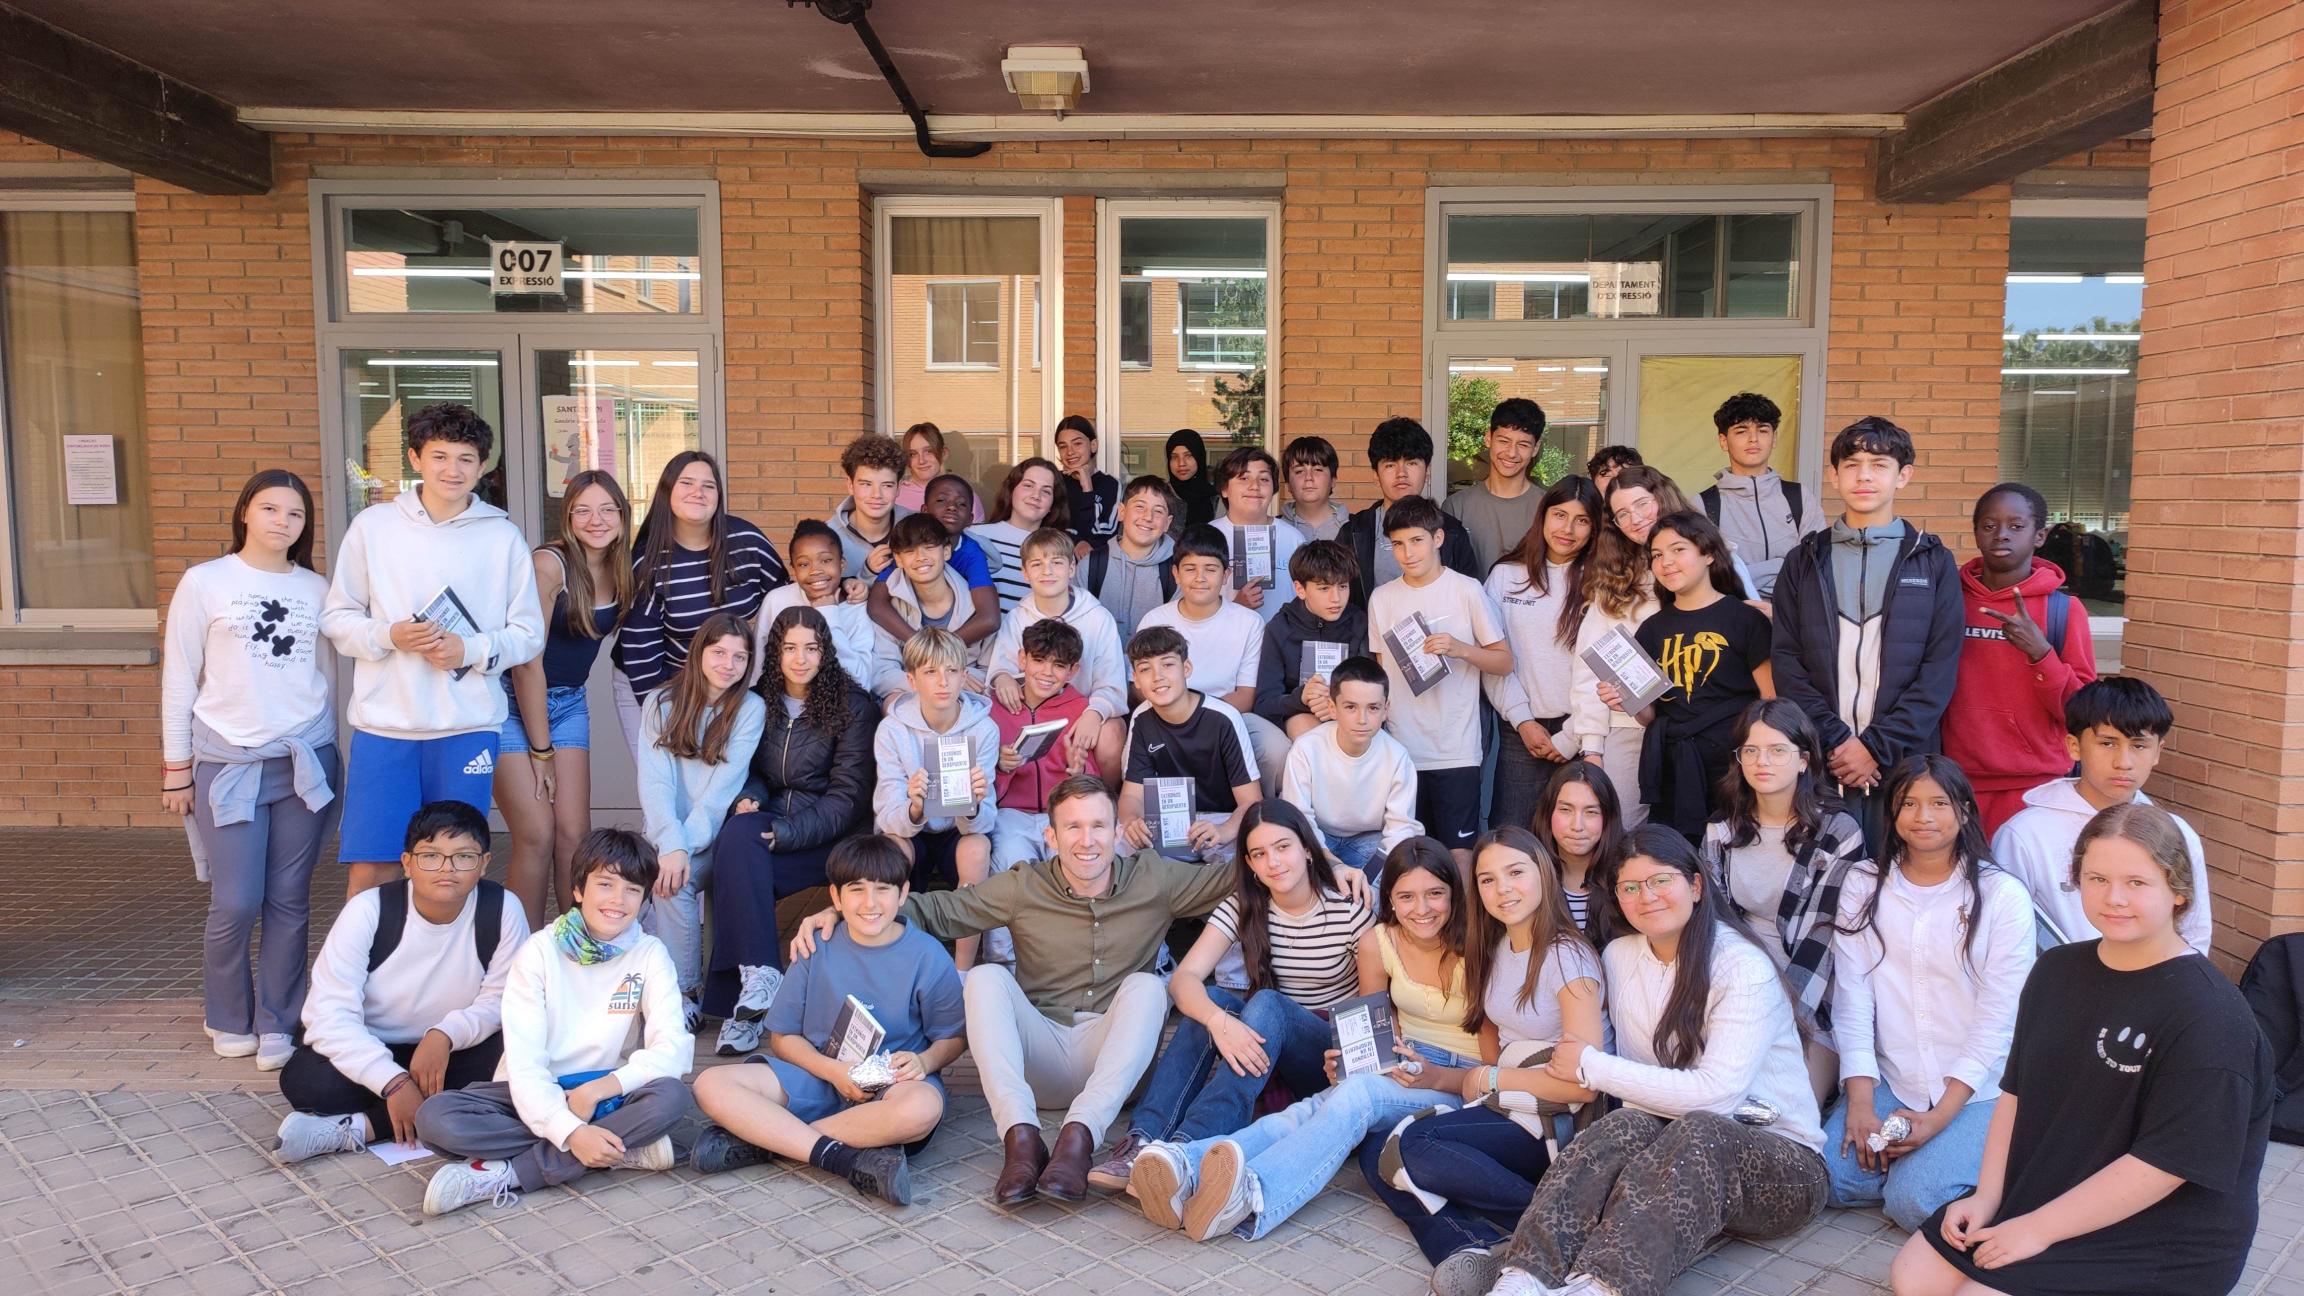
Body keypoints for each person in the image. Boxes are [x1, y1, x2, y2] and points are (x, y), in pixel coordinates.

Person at [786, 776, 1249, 1206]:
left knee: (1148, 987)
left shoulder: (1155, 879)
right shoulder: (1024, 884)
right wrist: (842, 913)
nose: (1086, 840)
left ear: (1116, 832)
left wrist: (1295, 850)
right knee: (986, 977)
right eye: (1072, 827)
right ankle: (1021, 1140)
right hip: (1038, 1056)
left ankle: (1079, 1140)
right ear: (1051, 837)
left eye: (1097, 826)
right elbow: (937, 911)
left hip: (1115, 1063)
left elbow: (1243, 877)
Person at [1892, 803, 2272, 1296]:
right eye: (2097, 879)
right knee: (1914, 1279)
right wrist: (1988, 1196)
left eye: (2137, 882)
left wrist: (2037, 1230)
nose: (2114, 898)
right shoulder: (2056, 970)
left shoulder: (2210, 1014)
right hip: (2053, 1186)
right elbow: (2015, 1095)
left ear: (2178, 890)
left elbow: (2165, 1166)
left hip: (2162, 1232)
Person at [1473, 826, 1829, 1296]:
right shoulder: (1620, 957)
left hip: (1783, 1166)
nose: (1647, 897)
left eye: (1661, 881)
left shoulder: (1742, 967)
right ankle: (1524, 1276)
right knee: (1623, 1124)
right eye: (1630, 887)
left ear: (1695, 886)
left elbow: (1715, 1096)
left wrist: (1591, 1065)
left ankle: (1601, 1287)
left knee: (1700, 1128)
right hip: (1676, 1158)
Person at [1127, 837, 1489, 1242]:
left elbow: (1493, 1069)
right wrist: (1348, 1063)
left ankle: (1256, 1193)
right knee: (1309, 1109)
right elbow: (1378, 1028)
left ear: (1454, 893)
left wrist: (1436, 1076)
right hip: (1403, 1065)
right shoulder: (1381, 941)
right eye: (1406, 896)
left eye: (1435, 893)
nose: (1421, 909)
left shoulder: (1479, 947)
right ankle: (1186, 1163)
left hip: (1457, 1082)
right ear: (1389, 899)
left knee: (1357, 1098)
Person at [1092, 799, 1379, 1192]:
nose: (1273, 862)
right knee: (1212, 1001)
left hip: (1328, 1056)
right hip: (1269, 1047)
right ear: (1250, 864)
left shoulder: (1349, 911)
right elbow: (1183, 979)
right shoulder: (1245, 906)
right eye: (1259, 854)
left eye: (1283, 847)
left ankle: (1187, 1149)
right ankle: (1143, 1140)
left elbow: (1370, 1012)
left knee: (1266, 1003)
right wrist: (1218, 1022)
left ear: (1308, 850)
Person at [321, 403, 545, 899]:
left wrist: (471, 648)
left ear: (482, 466)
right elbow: (336, 619)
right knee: (374, 869)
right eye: (439, 456)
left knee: (454, 869)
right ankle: (374, 953)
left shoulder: (502, 536)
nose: (452, 470)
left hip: (467, 729)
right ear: (414, 458)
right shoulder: (373, 527)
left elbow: (529, 634)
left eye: (466, 459)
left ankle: (450, 955)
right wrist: (390, 636)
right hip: (386, 728)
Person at [414, 828, 693, 1215]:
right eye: (605, 884)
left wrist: (597, 1091)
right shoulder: (539, 951)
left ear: (644, 899)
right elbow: (526, 1063)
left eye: (632, 890)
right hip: (531, 1090)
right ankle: (616, 1149)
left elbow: (672, 1049)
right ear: (578, 889)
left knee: (672, 1097)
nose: (618, 900)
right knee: (436, 1119)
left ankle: (508, 1173)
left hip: (604, 1092)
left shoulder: (650, 953)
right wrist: (571, 1131)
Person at [1371, 826, 1606, 1284]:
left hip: (1556, 1121)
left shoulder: (1566, 957)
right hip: (1510, 1105)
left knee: (1415, 1146)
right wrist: (1437, 1077)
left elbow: (1584, 1085)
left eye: (1515, 873)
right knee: (1378, 1151)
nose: (1503, 889)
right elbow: (1486, 1067)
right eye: (1487, 879)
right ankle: (1464, 1244)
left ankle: (1558, 1228)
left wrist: (1493, 1079)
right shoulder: (1496, 948)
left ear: (1543, 873)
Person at [165, 468, 338, 1069]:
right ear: (245, 512)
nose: (282, 522)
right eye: (269, 509)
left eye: (295, 513)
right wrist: (176, 767)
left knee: (289, 899)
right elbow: (179, 676)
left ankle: (278, 1022)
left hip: (303, 762)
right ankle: (226, 1015)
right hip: (227, 762)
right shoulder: (205, 582)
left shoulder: (317, 589)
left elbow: (329, 674)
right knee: (236, 900)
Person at [692, 834, 966, 1206]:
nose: (870, 903)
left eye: (883, 890)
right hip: (820, 1075)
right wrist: (834, 1072)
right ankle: (840, 1155)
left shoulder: (927, 955)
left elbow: (953, 1037)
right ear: (836, 897)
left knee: (922, 1109)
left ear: (903, 893)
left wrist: (925, 1061)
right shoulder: (815, 945)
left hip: (893, 1084)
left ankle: (766, 1141)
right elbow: (783, 1037)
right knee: (710, 1084)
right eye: (856, 890)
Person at [1824, 756, 2035, 1232]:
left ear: (1964, 811)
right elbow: (1853, 996)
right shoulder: (1864, 883)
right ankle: (1931, 1163)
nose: (1923, 817)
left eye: (1939, 803)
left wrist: (1938, 1120)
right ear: (1892, 812)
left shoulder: (2001, 896)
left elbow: (1998, 1021)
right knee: (1833, 1177)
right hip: (1895, 1079)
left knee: (1913, 1200)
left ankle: (1980, 1163)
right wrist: (1860, 1100)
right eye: (1909, 804)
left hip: (1979, 1089)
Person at [275, 801, 529, 1162]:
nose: (447, 868)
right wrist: (393, 1082)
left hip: (451, 1051)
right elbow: (328, 1014)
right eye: (431, 856)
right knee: (307, 1080)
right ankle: (435, 1112)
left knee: (520, 1061)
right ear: (407, 863)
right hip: (375, 1044)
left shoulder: (503, 908)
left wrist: (444, 1035)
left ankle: (360, 1128)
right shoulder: (369, 910)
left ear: (484, 863)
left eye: (463, 857)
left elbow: (502, 1000)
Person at [1770, 416, 1963, 854]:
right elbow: (1787, 661)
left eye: (1879, 465)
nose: (1864, 476)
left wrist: (1874, 746)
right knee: (1822, 874)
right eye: (1852, 464)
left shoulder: (1932, 561)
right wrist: (1838, 742)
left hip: (1904, 761)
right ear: (1834, 475)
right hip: (1822, 761)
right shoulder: (1804, 560)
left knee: (1898, 872)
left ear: (1903, 476)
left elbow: (1939, 669)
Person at [707, 604, 877, 1044]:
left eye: (811, 648)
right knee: (737, 839)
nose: (800, 659)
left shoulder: (853, 706)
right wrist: (750, 798)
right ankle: (761, 979)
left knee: (738, 867)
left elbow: (847, 799)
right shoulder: (757, 702)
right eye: (789, 648)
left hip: (833, 841)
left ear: (825, 652)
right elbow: (755, 772)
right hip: (775, 829)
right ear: (775, 652)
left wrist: (785, 833)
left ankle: (741, 1014)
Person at [1701, 698, 1867, 1100]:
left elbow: (1823, 938)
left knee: (1785, 1104)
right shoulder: (1721, 830)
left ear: (1804, 760)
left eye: (1777, 750)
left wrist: (1777, 1016)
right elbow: (1713, 928)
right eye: (1751, 751)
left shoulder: (1838, 833)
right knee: (1719, 1102)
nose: (1763, 761)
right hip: (1734, 989)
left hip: (1809, 1001)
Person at [1991, 676, 2215, 956]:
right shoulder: (2025, 834)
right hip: (2058, 981)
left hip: (2154, 981)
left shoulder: (2177, 833)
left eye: (2139, 746)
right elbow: (2006, 934)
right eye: (2108, 743)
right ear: (2074, 746)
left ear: (2158, 752)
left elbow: (2194, 931)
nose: (2123, 762)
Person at [498, 470, 634, 928]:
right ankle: (520, 953)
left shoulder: (621, 568)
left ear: (622, 515)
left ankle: (576, 947)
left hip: (569, 703)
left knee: (575, 836)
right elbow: (525, 664)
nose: (597, 520)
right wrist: (542, 751)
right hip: (510, 703)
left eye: (607, 509)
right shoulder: (549, 564)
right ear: (568, 517)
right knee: (536, 834)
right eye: (583, 511)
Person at [1607, 511, 1774, 843]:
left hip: (1734, 766)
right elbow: (1650, 715)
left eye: (1678, 550)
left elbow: (1771, 702)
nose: (1666, 562)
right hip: (1674, 768)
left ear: (1708, 553)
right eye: (1657, 555)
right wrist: (1626, 699)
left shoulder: (1745, 618)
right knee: (1675, 856)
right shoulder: (1652, 629)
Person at [611, 450, 785, 761]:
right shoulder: (648, 565)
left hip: (729, 684)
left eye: (708, 485)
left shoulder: (746, 541)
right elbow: (643, 660)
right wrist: (679, 719)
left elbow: (785, 602)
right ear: (667, 491)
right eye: (687, 483)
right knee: (669, 780)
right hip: (659, 687)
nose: (698, 492)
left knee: (725, 780)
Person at [1368, 494, 1512, 868]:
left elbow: (1504, 662)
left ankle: (1463, 912)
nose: (1407, 553)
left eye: (1416, 540)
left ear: (1438, 538)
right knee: (1409, 855)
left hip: (1456, 747)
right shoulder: (1382, 598)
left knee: (1459, 855)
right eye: (1398, 544)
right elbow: (1382, 676)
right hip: (1401, 748)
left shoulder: (1467, 589)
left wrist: (1460, 649)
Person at [1945, 483, 2097, 836]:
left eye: (2016, 526)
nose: (2001, 534)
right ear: (1976, 533)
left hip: (2036, 785)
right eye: (1989, 525)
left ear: (2039, 535)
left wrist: (2041, 654)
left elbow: (2083, 712)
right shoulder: (1949, 598)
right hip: (1955, 780)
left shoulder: (2063, 610)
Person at [638, 613, 767, 1028]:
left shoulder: (750, 708)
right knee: (649, 879)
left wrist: (682, 848)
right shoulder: (660, 703)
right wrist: (670, 843)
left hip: (717, 837)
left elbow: (719, 795)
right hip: (665, 834)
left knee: (674, 880)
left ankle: (687, 991)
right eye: (719, 652)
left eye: (740, 657)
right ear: (699, 652)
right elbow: (655, 783)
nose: (729, 664)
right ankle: (662, 990)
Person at [871, 627, 1002, 968]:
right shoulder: (892, 730)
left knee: (977, 849)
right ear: (912, 680)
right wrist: (915, 807)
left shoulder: (983, 729)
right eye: (930, 671)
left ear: (964, 676)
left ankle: (963, 970)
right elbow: (886, 813)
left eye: (952, 671)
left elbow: (986, 820)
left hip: (957, 830)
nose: (943, 682)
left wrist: (974, 805)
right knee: (893, 849)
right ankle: (896, 963)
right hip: (910, 828)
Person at [1485, 476, 1603, 831]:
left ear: (1594, 529)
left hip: (1584, 730)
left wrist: (1571, 735)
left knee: (1575, 837)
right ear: (1543, 515)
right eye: (1559, 515)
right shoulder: (1505, 577)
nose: (1567, 529)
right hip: (1521, 731)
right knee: (1513, 837)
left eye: (1581, 520)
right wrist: (1522, 720)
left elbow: (1604, 668)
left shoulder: (1602, 582)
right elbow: (1492, 658)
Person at [1137, 524, 1290, 790]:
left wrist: (1201, 718)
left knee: (1275, 748)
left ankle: (1258, 808)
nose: (1200, 578)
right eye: (1190, 569)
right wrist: (1177, 714)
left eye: (1210, 569)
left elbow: (1246, 695)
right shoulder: (1155, 620)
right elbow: (1139, 687)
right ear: (1175, 573)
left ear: (1226, 574)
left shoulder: (1249, 622)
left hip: (1229, 714)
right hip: (1165, 714)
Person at [1563, 467, 1668, 830]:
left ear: (1662, 498)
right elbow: (1589, 668)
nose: (1635, 519)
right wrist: (1592, 747)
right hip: (1627, 728)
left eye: (1642, 504)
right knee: (1621, 836)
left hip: (1699, 726)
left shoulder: (1709, 558)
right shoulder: (1615, 579)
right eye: (1622, 514)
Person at [984, 526, 1128, 786]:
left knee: (1111, 731)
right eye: (1037, 564)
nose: (1047, 571)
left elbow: (1112, 684)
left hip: (1079, 715)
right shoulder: (1017, 617)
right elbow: (1001, 667)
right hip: (1030, 712)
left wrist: (1094, 713)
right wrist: (1001, 677)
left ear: (1072, 569)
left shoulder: (1097, 618)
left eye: (1057, 563)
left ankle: (1106, 798)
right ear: (1024, 573)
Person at [1118, 625, 1263, 867]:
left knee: (1253, 846)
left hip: (1221, 819)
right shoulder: (1141, 718)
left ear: (1186, 668)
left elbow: (1251, 801)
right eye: (1145, 669)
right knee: (1116, 844)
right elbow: (1131, 795)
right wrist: (1132, 822)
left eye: (1167, 664)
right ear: (1136, 679)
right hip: (1167, 821)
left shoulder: (1223, 717)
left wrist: (1223, 831)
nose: (1157, 676)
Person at [989, 619, 1104, 903]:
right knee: (1013, 864)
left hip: (1063, 812)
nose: (1047, 673)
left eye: (1059, 665)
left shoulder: (1080, 709)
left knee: (1073, 868)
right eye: (1038, 660)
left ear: (1073, 671)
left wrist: (1078, 771)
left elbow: (1092, 785)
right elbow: (983, 789)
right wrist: (1002, 766)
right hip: (1011, 814)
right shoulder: (993, 707)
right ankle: (1010, 935)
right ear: (1022, 659)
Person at [1280, 655, 1423, 876]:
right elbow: (1300, 818)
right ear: (1332, 707)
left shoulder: (1397, 758)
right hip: (1318, 838)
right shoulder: (1306, 749)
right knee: (1292, 853)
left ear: (1385, 710)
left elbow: (1399, 830)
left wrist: (1369, 880)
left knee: (1403, 859)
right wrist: (1333, 865)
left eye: (1373, 708)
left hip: (1368, 840)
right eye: (1350, 707)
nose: (1362, 719)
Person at [1701, 392, 1824, 603]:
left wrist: (1745, 572)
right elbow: (1712, 576)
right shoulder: (1704, 505)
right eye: (1741, 431)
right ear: (1723, 441)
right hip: (1734, 616)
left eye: (1763, 430)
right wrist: (1782, 564)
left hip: (1793, 615)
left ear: (1774, 438)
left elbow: (1814, 565)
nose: (1754, 439)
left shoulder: (1800, 497)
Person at [1346, 417, 1481, 606]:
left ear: (1427, 471)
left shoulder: (1452, 532)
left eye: (1411, 463)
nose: (1401, 473)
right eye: (1390, 465)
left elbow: (1468, 601)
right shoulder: (1353, 532)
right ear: (1376, 475)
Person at [1255, 539, 1371, 742]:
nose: (1336, 598)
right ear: (1300, 589)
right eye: (1324, 588)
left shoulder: (1360, 623)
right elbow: (1264, 703)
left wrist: (1337, 704)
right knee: (1306, 729)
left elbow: (1373, 687)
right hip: (1300, 717)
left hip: (1351, 715)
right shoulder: (1280, 628)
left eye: (1343, 586)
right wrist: (1301, 698)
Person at [866, 473, 1001, 649]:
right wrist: (919, 643)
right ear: (925, 510)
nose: (951, 507)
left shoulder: (971, 553)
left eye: (961, 504)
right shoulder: (908, 542)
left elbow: (990, 618)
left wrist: (940, 649)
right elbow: (877, 604)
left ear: (970, 519)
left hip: (956, 642)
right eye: (941, 500)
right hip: (911, 630)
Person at [866, 513, 991, 697]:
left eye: (930, 547)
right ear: (898, 560)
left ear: (946, 551)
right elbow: (882, 673)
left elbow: (991, 671)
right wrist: (933, 684)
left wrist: (953, 682)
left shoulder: (976, 605)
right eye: (910, 551)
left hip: (965, 700)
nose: (921, 557)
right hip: (910, 697)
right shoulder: (892, 606)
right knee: (891, 702)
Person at [751, 518, 875, 690]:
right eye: (804, 564)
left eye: (826, 560)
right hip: (782, 700)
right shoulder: (777, 600)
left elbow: (861, 680)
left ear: (842, 564)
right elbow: (758, 666)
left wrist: (828, 615)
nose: (815, 570)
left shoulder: (857, 606)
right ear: (794, 569)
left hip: (840, 703)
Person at [1444, 396, 1548, 575]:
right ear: (1488, 438)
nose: (1512, 453)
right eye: (1504, 441)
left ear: (1536, 448)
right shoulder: (1456, 506)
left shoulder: (1548, 507)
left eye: (1523, 444)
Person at [1207, 446, 1305, 627]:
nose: (1254, 486)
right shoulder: (1207, 537)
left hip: (1281, 641)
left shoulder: (1293, 538)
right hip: (1224, 640)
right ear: (1224, 489)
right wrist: (1236, 606)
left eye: (1264, 479)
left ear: (1273, 489)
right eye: (1244, 478)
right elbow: (1189, 606)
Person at [1534, 759, 1627, 948]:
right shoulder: (1529, 874)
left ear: (1608, 818)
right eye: (1566, 810)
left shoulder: (1628, 875)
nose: (1577, 826)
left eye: (1591, 812)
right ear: (1548, 812)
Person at [1076, 474, 1181, 640]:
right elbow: (1074, 626)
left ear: (1167, 523)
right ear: (1121, 512)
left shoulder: (1177, 573)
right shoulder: (1091, 566)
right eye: (1140, 507)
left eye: (1158, 511)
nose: (1148, 517)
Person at [969, 457, 1065, 614]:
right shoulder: (974, 536)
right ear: (1011, 490)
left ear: (1052, 505)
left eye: (1046, 491)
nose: (1036, 495)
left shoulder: (1060, 551)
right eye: (1028, 485)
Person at [830, 432, 910, 583]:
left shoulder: (916, 526)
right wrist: (866, 574)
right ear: (850, 485)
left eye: (887, 485)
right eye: (866, 484)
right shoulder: (828, 537)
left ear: (899, 487)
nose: (876, 495)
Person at [896, 422, 981, 520]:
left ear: (944, 453)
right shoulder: (895, 494)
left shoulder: (965, 497)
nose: (921, 460)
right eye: (913, 454)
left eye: (929, 451)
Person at [1056, 415, 1121, 542]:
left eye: (1077, 443)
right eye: (1063, 446)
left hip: (1095, 554)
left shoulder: (1110, 484)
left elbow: (1106, 534)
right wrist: (1077, 541)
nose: (1070, 452)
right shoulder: (1053, 481)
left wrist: (1087, 488)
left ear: (1093, 445)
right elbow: (1046, 528)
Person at [1280, 434, 1347, 541]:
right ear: (1288, 484)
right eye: (1299, 471)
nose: (1308, 477)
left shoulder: (1356, 530)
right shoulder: (1275, 531)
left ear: (1333, 480)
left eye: (1318, 470)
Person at [1167, 428, 1221, 530]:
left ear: (1199, 457)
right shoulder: (1161, 496)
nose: (1181, 463)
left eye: (1188, 455)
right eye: (1174, 457)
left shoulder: (1217, 498)